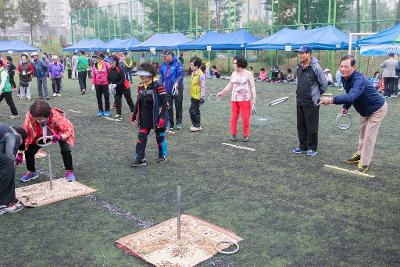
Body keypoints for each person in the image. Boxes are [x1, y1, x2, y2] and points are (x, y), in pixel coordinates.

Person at [321, 55, 388, 173]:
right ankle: (359, 155)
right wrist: (345, 107)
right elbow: (349, 93)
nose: (342, 69)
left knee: (368, 137)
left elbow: (352, 96)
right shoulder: (344, 77)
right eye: (341, 66)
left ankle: (364, 164)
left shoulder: (359, 80)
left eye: (346, 66)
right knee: (362, 135)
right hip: (364, 110)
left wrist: (331, 100)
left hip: (377, 109)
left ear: (353, 67)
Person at [20, 100, 76, 182]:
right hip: (40, 132)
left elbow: (69, 131)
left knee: (65, 150)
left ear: (48, 115)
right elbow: (26, 132)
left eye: (41, 119)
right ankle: (31, 171)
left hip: (60, 133)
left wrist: (59, 137)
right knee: (29, 151)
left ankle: (69, 171)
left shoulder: (56, 116)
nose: (39, 121)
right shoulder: (30, 116)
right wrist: (20, 152)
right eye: (37, 119)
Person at [292, 45, 327, 157]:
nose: (300, 55)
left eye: (303, 53)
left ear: (309, 54)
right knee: (300, 125)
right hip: (300, 101)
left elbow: (324, 85)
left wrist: (316, 95)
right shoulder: (299, 67)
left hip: (312, 102)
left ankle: (312, 148)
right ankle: (303, 146)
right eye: (299, 53)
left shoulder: (316, 67)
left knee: (311, 126)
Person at [131, 62, 168, 167]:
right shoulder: (141, 86)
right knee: (141, 136)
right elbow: (138, 101)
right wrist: (134, 114)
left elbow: (165, 103)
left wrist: (162, 117)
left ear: (150, 74)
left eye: (143, 74)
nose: (141, 76)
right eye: (140, 74)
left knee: (159, 136)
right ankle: (140, 159)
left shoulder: (158, 85)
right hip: (145, 117)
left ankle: (163, 155)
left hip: (157, 116)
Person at [217, 56, 256, 142]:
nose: (233, 65)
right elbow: (230, 86)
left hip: (245, 99)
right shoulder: (234, 73)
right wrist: (221, 93)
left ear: (239, 64)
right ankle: (233, 134)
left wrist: (254, 98)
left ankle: (246, 135)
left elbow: (252, 86)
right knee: (234, 117)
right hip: (234, 99)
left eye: (234, 63)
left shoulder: (248, 74)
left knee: (245, 117)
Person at [0, 123, 27, 215]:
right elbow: (9, 155)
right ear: (21, 136)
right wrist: (13, 163)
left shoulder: (5, 129)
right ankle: (4, 203)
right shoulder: (14, 135)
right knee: (8, 165)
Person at [159, 50, 184, 130]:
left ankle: (179, 123)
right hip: (167, 89)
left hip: (177, 88)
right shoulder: (163, 65)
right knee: (168, 106)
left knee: (178, 106)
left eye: (164, 57)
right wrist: (159, 84)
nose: (163, 58)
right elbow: (162, 77)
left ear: (170, 55)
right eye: (162, 57)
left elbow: (181, 75)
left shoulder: (178, 63)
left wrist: (177, 82)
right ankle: (170, 123)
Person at [107, 55, 135, 121]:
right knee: (117, 100)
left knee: (129, 99)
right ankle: (118, 114)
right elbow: (108, 79)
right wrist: (110, 84)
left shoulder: (120, 69)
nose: (110, 63)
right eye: (109, 61)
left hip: (124, 87)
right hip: (117, 88)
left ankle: (134, 111)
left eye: (111, 61)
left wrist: (116, 84)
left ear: (115, 62)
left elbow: (123, 79)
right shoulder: (109, 70)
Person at [189, 56, 206, 132]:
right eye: (190, 64)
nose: (190, 66)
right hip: (193, 95)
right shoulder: (193, 73)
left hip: (197, 97)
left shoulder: (201, 75)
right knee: (196, 111)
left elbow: (203, 86)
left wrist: (202, 97)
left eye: (192, 65)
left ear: (196, 66)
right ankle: (197, 125)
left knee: (191, 110)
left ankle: (196, 126)